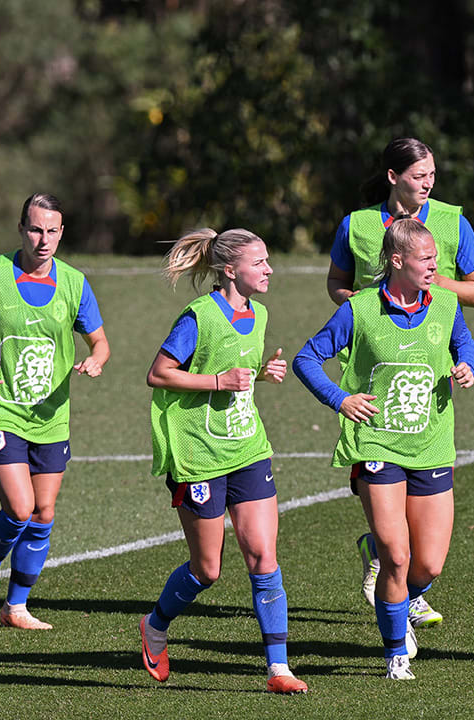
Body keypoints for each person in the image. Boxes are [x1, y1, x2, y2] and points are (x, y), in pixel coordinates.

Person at [294, 217, 474, 680]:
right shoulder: (358, 310)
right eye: (427, 259)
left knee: (428, 562)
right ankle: (396, 653)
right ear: (397, 261)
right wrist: (341, 398)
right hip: (376, 445)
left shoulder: (448, 305)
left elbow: (463, 343)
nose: (436, 266)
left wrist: (466, 366)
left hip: (432, 445)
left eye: (436, 257)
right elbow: (306, 358)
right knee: (397, 557)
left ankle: (385, 570)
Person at [326, 137, 474, 629]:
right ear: (393, 176)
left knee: (423, 547)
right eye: (420, 176)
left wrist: (436, 285)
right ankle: (398, 598)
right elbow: (336, 284)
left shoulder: (452, 222)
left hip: (431, 358)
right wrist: (361, 303)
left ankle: (392, 571)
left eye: (433, 176)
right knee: (399, 528)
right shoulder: (355, 226)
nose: (429, 184)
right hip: (377, 367)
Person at [137, 228, 307, 694]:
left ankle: (279, 669)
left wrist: (262, 374)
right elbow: (158, 373)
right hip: (198, 456)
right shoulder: (198, 316)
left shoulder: (262, 313)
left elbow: (241, 372)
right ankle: (154, 626)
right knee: (207, 569)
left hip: (248, 449)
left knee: (263, 556)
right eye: (260, 262)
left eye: (269, 260)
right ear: (230, 269)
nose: (270, 269)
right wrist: (216, 381)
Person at [0, 193, 110, 630]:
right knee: (19, 506)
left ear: (62, 232)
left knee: (44, 512)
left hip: (50, 414)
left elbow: (100, 341)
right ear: (20, 229)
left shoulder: (74, 283)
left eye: (52, 231)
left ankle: (17, 607)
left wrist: (97, 360)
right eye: (35, 229)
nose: (43, 239)